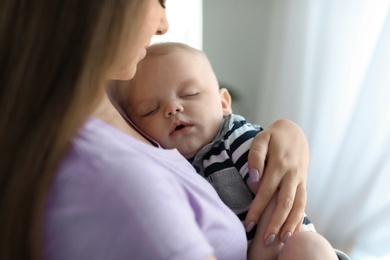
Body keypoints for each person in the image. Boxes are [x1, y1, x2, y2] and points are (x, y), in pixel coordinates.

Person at [0, 1, 312, 259]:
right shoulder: (114, 180)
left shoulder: (113, 102)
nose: (164, 24)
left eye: (189, 95)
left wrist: (289, 134)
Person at [116, 42, 349, 259]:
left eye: (190, 94)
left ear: (224, 103)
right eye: (150, 109)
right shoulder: (162, 167)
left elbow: (277, 197)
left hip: (283, 247)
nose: (173, 108)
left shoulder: (234, 138)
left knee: (308, 246)